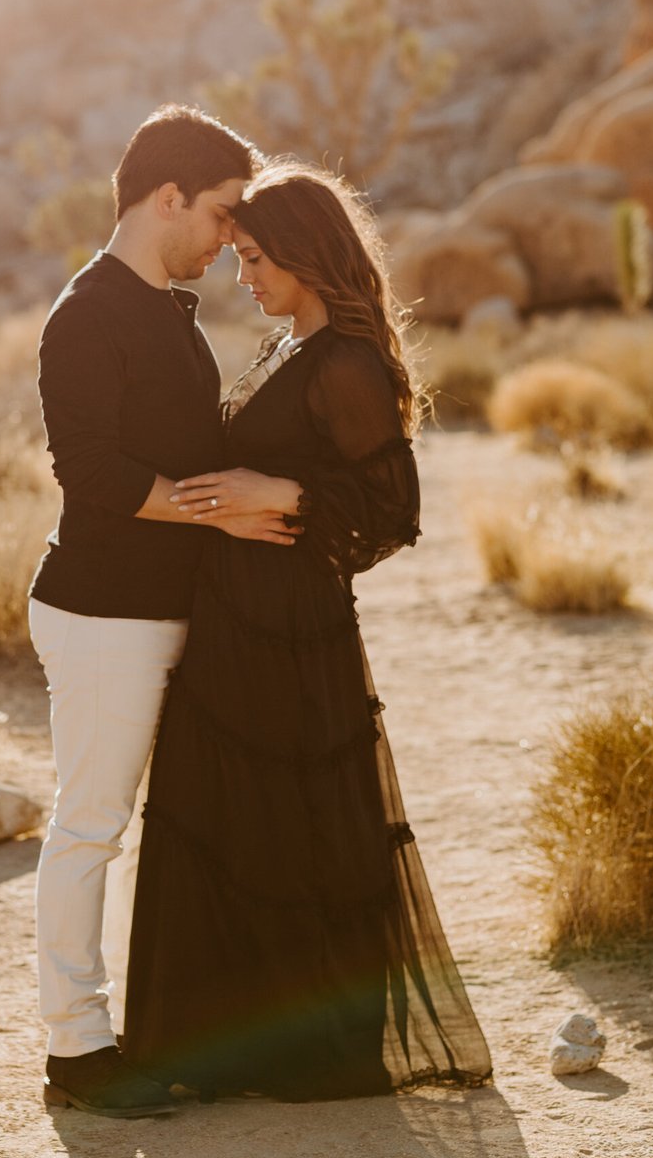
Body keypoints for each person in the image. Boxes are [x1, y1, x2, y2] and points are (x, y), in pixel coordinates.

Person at [122, 160, 494, 1102]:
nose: (241, 274)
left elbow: (393, 509)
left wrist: (274, 492)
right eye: (238, 254)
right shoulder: (287, 347)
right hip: (233, 618)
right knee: (223, 820)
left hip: (293, 627)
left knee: (292, 826)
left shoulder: (349, 364)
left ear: (305, 254)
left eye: (255, 258)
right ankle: (216, 1047)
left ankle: (304, 1052)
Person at [28, 105, 301, 1120]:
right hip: (104, 613)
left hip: (159, 611)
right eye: (224, 213)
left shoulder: (164, 314)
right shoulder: (87, 313)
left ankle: (162, 1028)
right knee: (89, 826)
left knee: (158, 828)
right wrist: (220, 516)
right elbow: (90, 470)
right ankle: (75, 1051)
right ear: (167, 196)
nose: (232, 237)